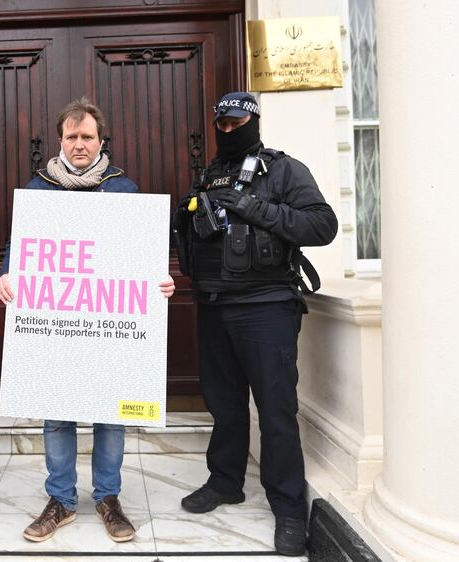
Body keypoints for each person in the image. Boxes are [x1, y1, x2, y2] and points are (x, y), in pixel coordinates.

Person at [0, 98, 175, 543]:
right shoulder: (37, 189)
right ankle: (61, 500)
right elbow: (20, 246)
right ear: (61, 141)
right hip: (57, 322)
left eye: (87, 137)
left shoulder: (123, 189)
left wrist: (160, 280)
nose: (80, 145)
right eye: (72, 137)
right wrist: (7, 273)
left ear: (100, 141)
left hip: (107, 323)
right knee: (57, 412)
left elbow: (140, 256)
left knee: (111, 411)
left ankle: (108, 498)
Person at [172, 92, 338, 556]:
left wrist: (252, 207)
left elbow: (322, 225)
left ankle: (288, 508)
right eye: (221, 124)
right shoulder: (210, 175)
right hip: (213, 305)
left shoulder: (283, 169)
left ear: (254, 121)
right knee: (224, 406)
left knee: (276, 410)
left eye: (236, 123)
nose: (227, 131)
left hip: (266, 308)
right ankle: (225, 481)